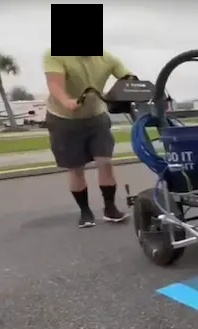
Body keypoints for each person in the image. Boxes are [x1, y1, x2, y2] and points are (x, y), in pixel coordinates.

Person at [43, 51, 134, 228]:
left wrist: (131, 86)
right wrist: (66, 100)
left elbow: (127, 77)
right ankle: (85, 211)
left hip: (96, 117)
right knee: (76, 169)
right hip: (64, 119)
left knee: (105, 162)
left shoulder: (107, 58)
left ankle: (110, 208)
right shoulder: (55, 55)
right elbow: (55, 83)